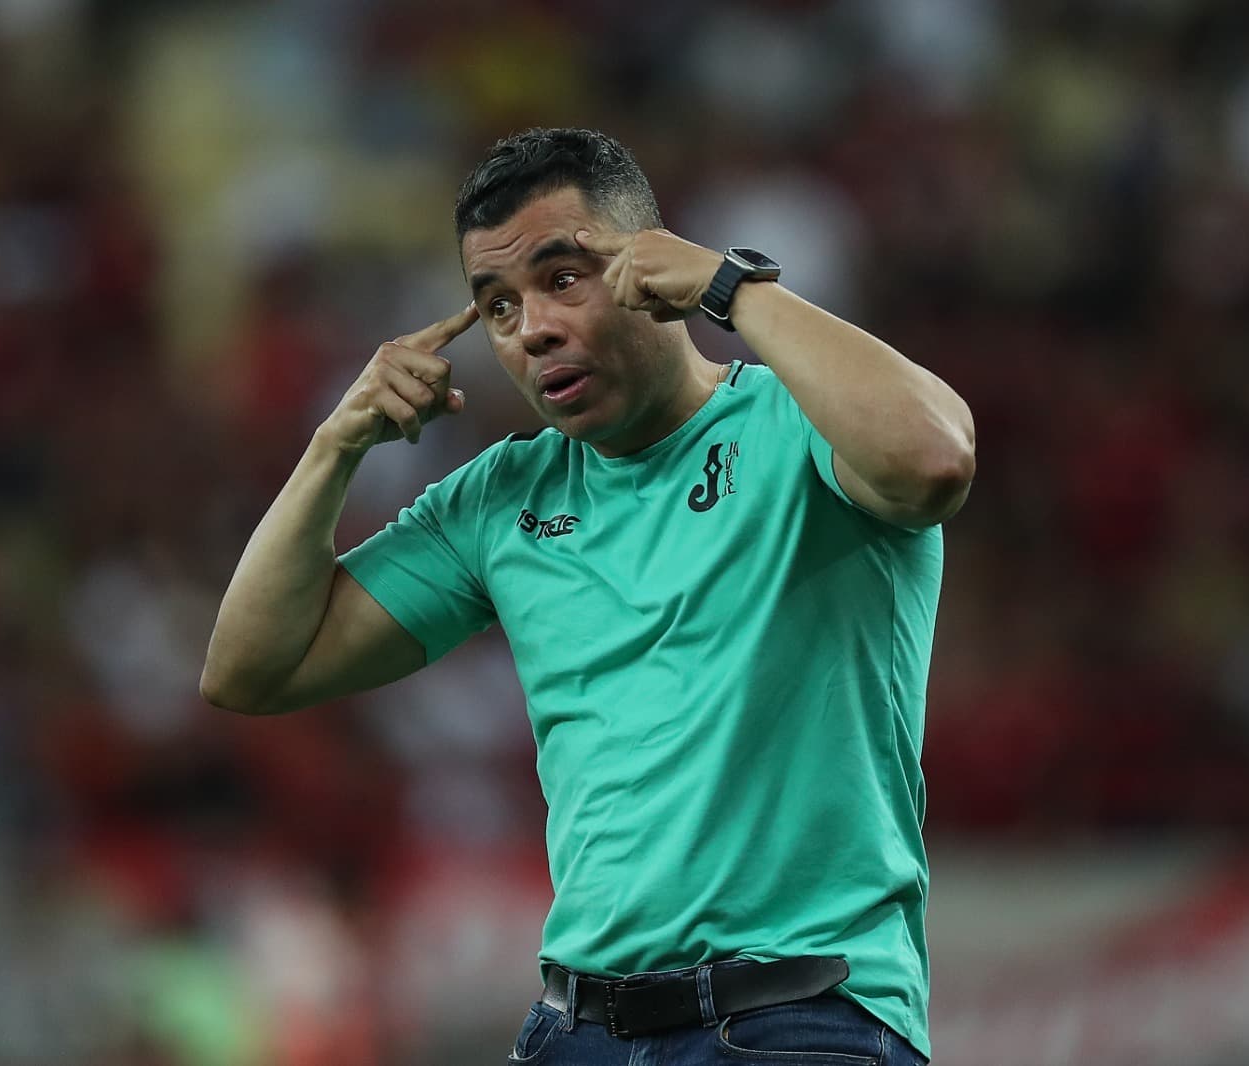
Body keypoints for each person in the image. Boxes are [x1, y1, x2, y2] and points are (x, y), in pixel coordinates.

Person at [201, 127, 974, 1065]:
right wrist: (334, 449)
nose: (531, 329)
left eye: (563, 277)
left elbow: (935, 459)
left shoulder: (803, 426)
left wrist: (734, 287)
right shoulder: (500, 501)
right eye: (495, 307)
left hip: (797, 1013)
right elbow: (249, 668)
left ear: (652, 266)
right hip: (576, 1029)